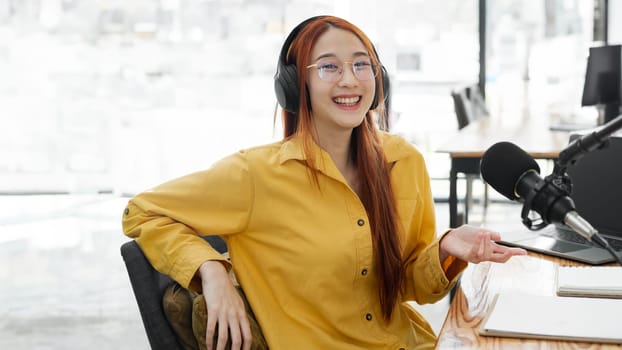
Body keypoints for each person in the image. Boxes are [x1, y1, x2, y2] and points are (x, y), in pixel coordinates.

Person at [122, 15, 526, 350]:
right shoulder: (255, 175)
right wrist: (211, 269)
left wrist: (446, 249)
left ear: (378, 78)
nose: (349, 80)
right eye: (329, 67)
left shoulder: (404, 162)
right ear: (297, 85)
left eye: (361, 64)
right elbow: (142, 211)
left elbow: (406, 285)